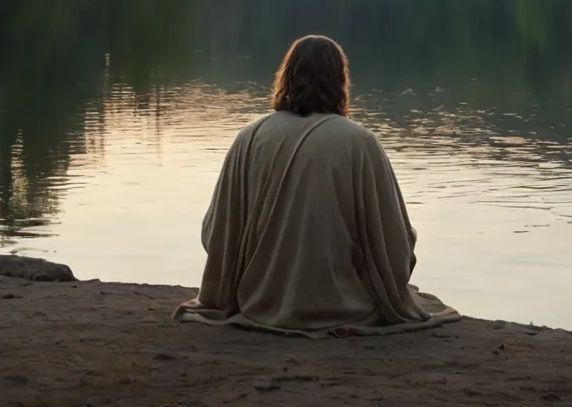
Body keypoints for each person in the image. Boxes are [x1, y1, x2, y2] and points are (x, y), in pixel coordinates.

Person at [173, 35, 460, 337]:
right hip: (342, 305)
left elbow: (215, 232)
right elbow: (395, 244)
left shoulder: (249, 137)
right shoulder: (359, 141)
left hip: (256, 301)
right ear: (340, 81)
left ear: (286, 77)